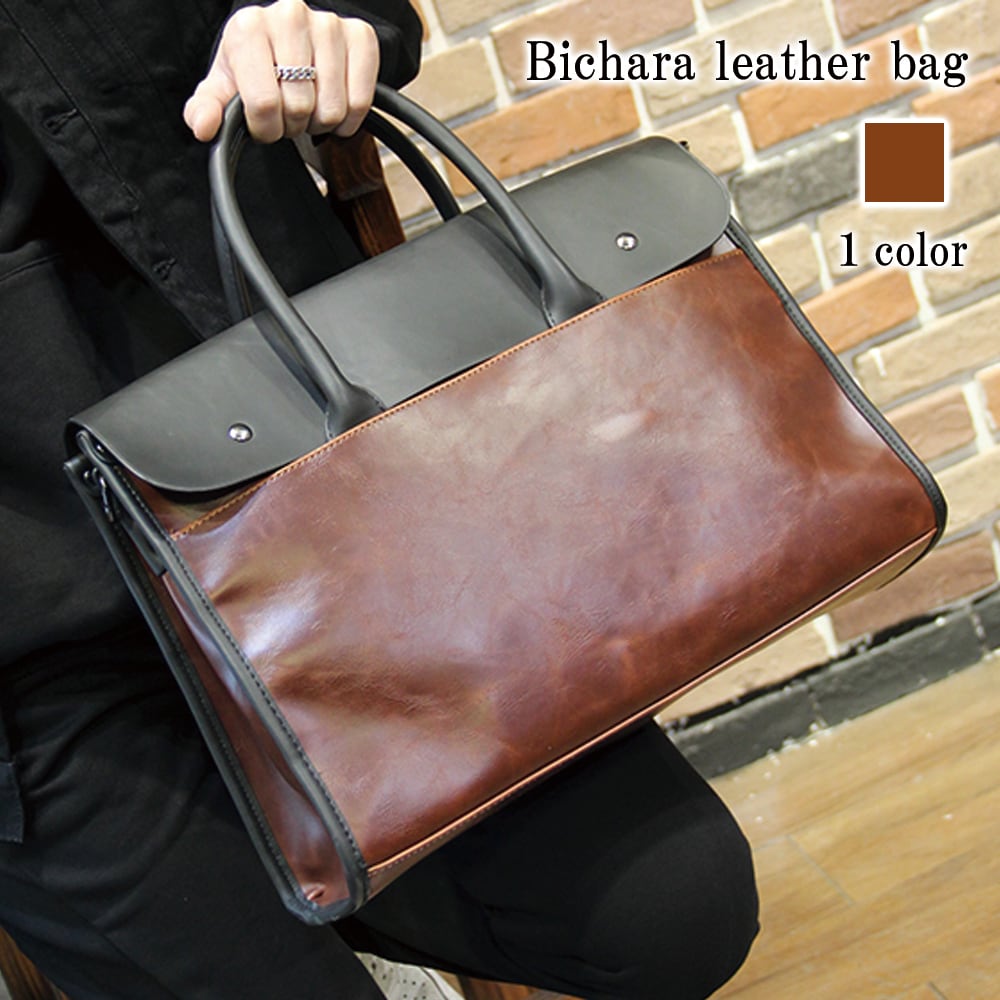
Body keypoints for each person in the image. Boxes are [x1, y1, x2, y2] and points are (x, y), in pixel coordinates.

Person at [0, 2, 759, 997]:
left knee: (672, 905)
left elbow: (371, 18)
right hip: (40, 661)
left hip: (326, 500)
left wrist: (316, 30)